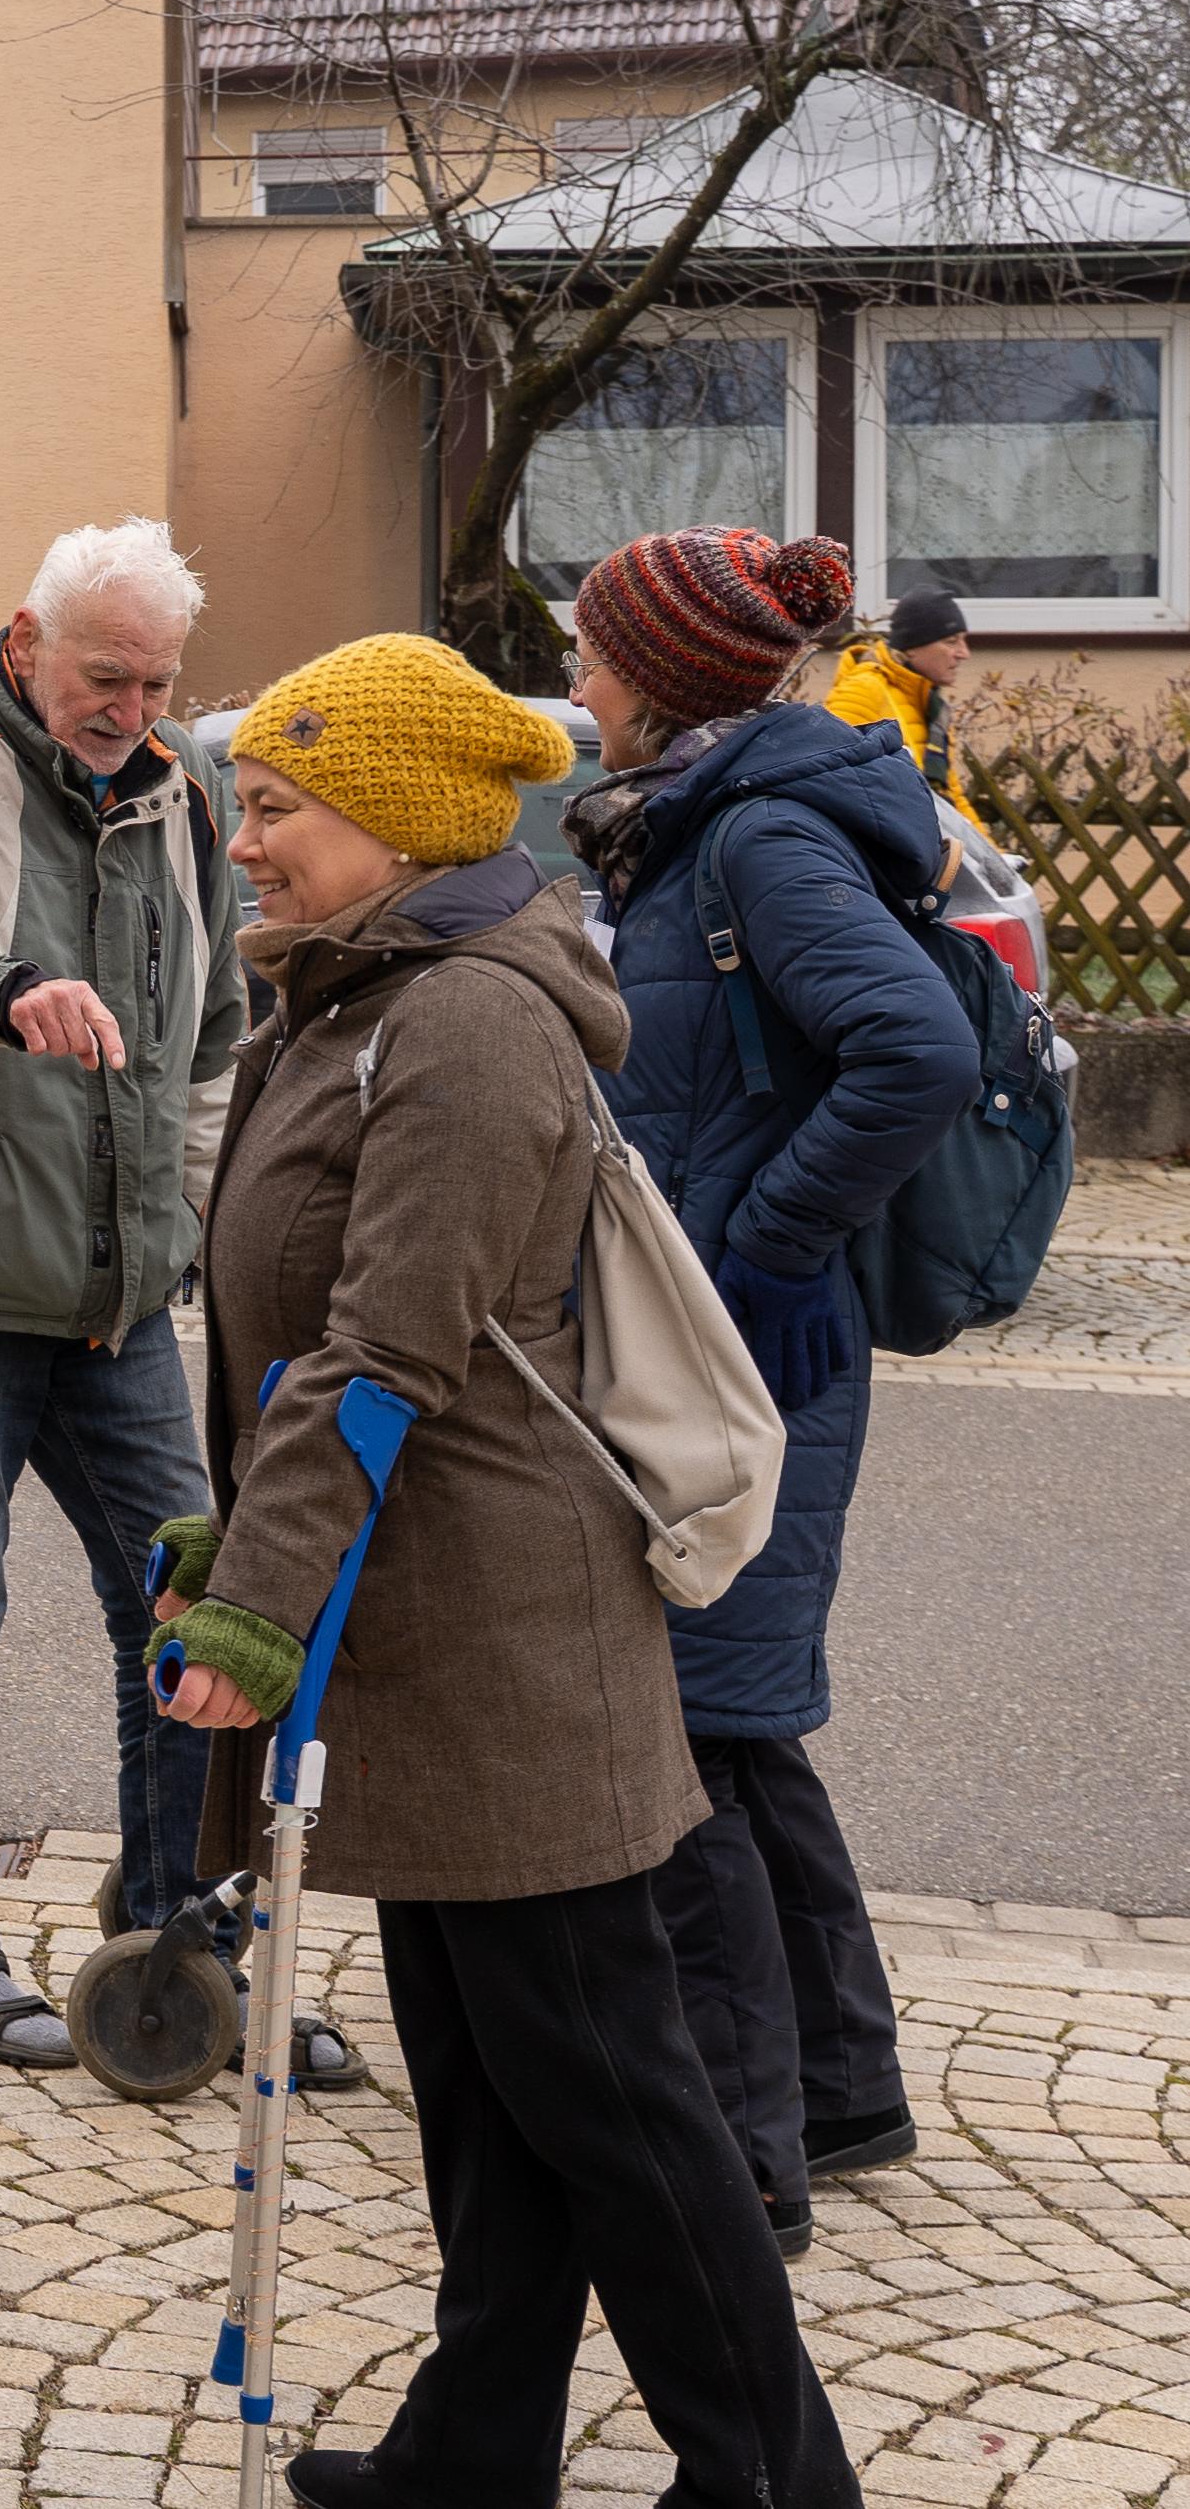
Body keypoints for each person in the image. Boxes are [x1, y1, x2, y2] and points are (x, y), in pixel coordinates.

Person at [153, 631, 857, 2509]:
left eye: (277, 804)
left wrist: (255, 1600)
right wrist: (249, 1536)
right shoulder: (345, 989)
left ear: (388, 820)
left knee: (620, 2103)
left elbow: (390, 1349)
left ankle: (777, 2476)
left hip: (503, 1638)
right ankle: (472, 2451)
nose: (244, 836)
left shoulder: (464, 1020)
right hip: (415, 1618)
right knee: (489, 2094)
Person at [0, 516, 359, 2088]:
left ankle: (177, 1936)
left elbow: (217, 1036)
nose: (131, 709)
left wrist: (199, 1231)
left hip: (117, 1297)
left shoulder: (186, 788)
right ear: (25, 641)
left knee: (190, 1604)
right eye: (106, 676)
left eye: (159, 682)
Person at [563, 527, 977, 2248]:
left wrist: (768, 1249)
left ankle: (745, 2167)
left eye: (589, 655)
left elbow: (919, 1051)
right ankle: (841, 2080)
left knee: (699, 1744)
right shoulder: (708, 818)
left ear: (657, 681)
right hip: (733, 1332)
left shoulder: (760, 831)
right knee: (737, 1720)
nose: (575, 682)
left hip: (745, 1343)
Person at [825, 587, 980, 833]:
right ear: (912, 647)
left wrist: (996, 861)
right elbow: (834, 785)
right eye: (951, 642)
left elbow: (950, 798)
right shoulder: (864, 690)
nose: (964, 653)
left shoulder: (931, 707)